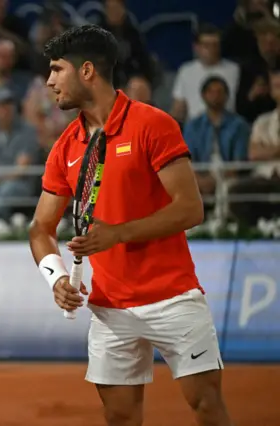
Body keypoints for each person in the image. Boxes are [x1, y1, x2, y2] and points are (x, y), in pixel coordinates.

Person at [29, 26, 233, 426]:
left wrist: (118, 233)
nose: (50, 82)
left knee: (207, 407)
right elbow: (40, 228)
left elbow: (190, 209)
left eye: (56, 69)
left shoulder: (152, 124)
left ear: (87, 70)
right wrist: (56, 280)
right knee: (120, 417)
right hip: (109, 310)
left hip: (172, 297)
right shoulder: (64, 147)